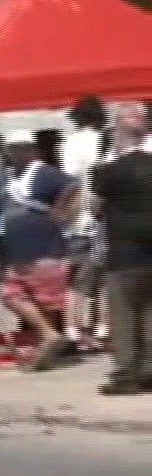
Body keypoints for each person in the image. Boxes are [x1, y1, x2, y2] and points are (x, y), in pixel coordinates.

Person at [0, 130, 77, 370]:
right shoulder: (3, 178)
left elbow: (72, 185)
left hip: (44, 246)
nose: (18, 153)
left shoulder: (45, 173)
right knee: (15, 295)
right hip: (17, 250)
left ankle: (47, 340)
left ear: (33, 150)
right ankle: (48, 337)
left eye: (23, 148)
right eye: (13, 148)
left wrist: (60, 211)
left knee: (42, 300)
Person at [90, 103, 152, 396]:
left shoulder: (107, 171)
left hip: (125, 251)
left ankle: (127, 374)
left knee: (124, 313)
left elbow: (95, 208)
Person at [64, 96, 110, 351]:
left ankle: (73, 327)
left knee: (78, 279)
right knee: (105, 277)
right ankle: (103, 326)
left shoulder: (72, 143)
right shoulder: (106, 141)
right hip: (107, 216)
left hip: (81, 218)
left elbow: (70, 181)